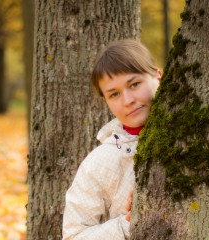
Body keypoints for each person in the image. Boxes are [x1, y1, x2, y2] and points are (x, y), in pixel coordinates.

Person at [62, 39, 161, 239]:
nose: (128, 101)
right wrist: (127, 225)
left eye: (134, 84)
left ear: (158, 76)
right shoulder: (99, 163)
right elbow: (73, 236)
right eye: (114, 94)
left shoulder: (199, 134)